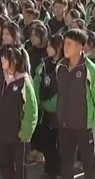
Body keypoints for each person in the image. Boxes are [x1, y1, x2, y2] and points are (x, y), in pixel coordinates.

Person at [0, 46, 38, 179]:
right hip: (1, 132)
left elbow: (31, 110)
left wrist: (25, 133)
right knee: (4, 165)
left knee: (20, 168)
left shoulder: (24, 81)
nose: (2, 60)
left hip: (18, 135)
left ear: (14, 61)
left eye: (5, 58)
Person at [33, 33, 63, 178]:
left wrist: (50, 105)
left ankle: (60, 171)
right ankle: (50, 171)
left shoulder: (64, 65)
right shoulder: (44, 64)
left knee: (60, 145)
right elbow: (36, 81)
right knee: (47, 143)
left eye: (51, 46)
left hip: (59, 113)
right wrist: (39, 102)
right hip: (45, 111)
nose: (47, 49)